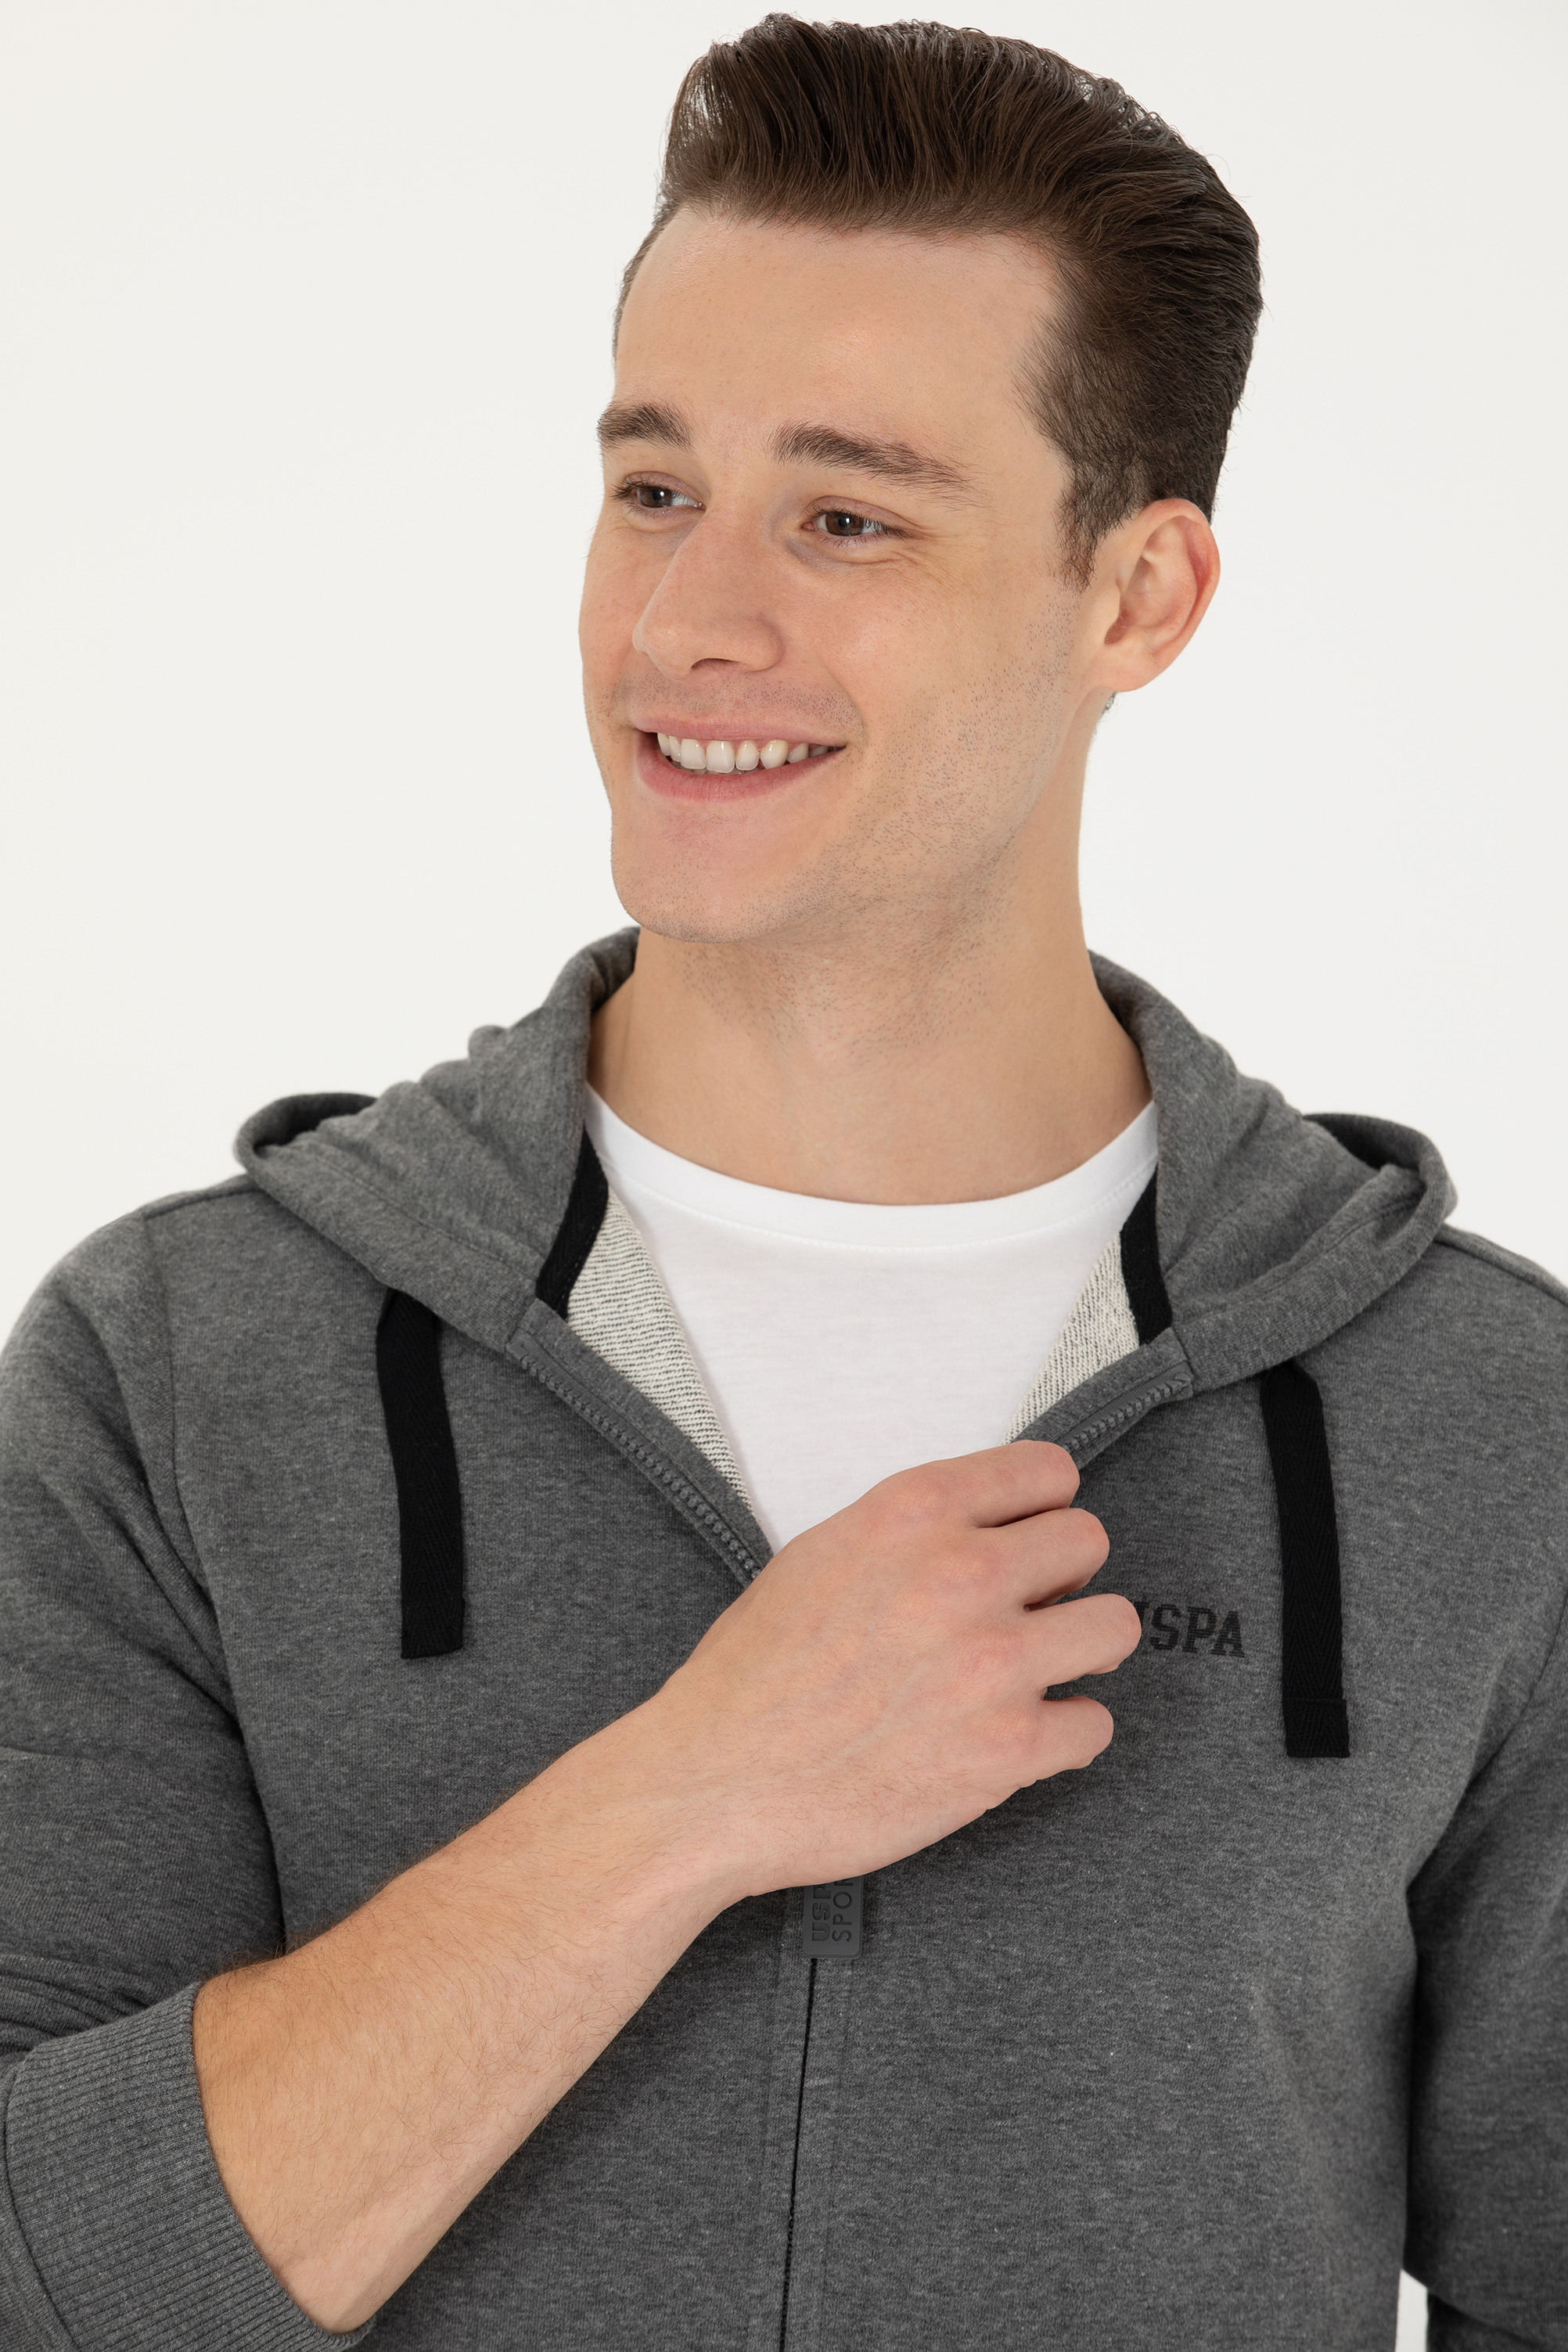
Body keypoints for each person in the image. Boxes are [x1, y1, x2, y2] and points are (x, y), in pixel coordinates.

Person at [1, 15, 1563, 2349]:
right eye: (653, 487)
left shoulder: (1479, 1421)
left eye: (845, 517)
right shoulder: (184, 1369)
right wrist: (682, 1803)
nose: (684, 626)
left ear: (1135, 597)